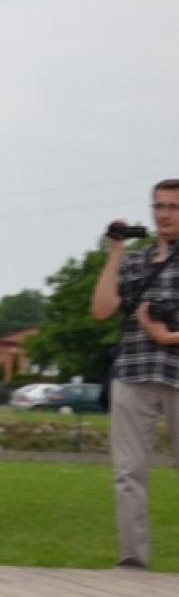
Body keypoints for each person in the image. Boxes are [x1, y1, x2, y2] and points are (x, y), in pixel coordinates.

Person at [90, 179, 179, 570]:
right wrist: (115, 253)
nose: (164, 214)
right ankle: (131, 558)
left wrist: (166, 335)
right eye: (158, 206)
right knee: (128, 472)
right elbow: (102, 309)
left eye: (173, 207)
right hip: (133, 369)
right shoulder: (136, 262)